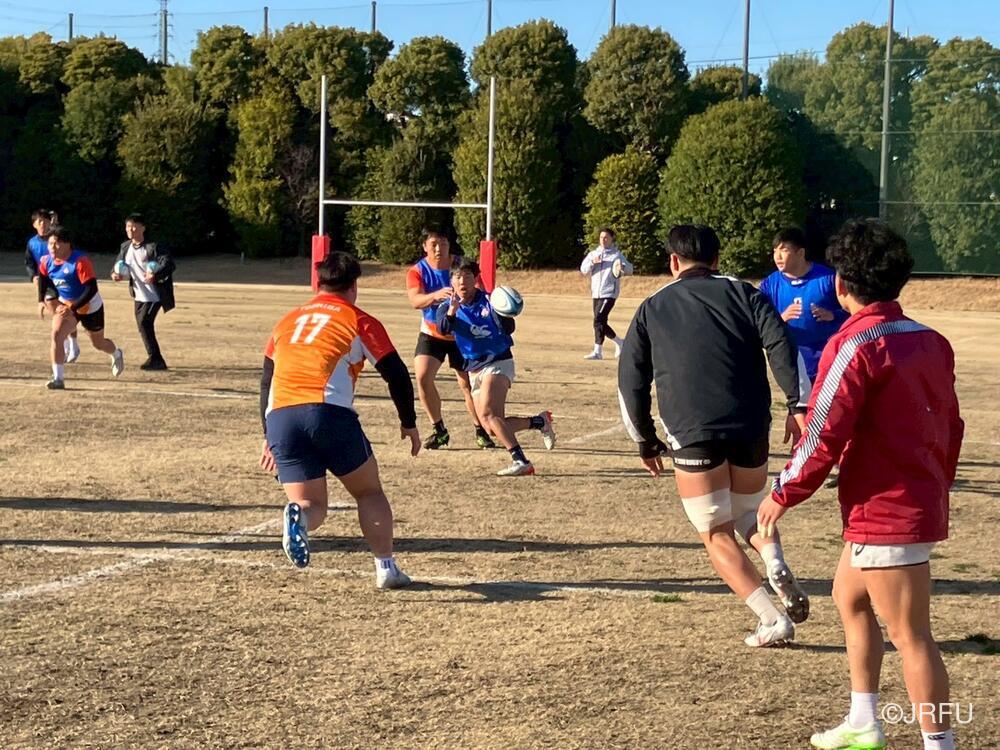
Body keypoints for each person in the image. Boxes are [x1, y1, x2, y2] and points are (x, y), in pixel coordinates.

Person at [757, 219, 964, 750]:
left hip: (887, 507)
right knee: (848, 596)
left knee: (912, 636)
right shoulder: (931, 340)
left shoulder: (854, 343)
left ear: (841, 283)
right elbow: (952, 424)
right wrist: (937, 481)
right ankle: (864, 720)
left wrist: (783, 491)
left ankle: (939, 743)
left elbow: (823, 430)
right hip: (905, 499)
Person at [618, 225, 810, 647]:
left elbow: (630, 380)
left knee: (715, 531)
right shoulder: (746, 293)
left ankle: (771, 619)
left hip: (692, 430)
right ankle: (773, 558)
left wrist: (645, 439)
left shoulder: (652, 306)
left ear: (673, 261)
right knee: (747, 512)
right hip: (750, 424)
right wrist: (797, 405)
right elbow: (782, 344)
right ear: (717, 259)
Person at [259, 251, 419, 589]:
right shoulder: (359, 320)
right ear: (354, 286)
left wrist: (267, 435)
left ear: (318, 284)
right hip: (326, 412)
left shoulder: (286, 322)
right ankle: (386, 568)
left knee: (311, 504)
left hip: (280, 418)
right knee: (369, 492)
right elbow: (396, 373)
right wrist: (408, 422)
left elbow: (266, 380)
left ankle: (300, 518)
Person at [436, 259, 556, 477]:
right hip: (474, 368)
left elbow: (509, 328)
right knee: (492, 427)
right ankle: (539, 421)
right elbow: (443, 329)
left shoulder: (491, 301)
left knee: (488, 413)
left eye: (468, 276)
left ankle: (521, 461)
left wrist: (502, 311)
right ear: (451, 281)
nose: (463, 282)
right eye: (458, 277)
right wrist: (453, 310)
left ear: (475, 279)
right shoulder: (446, 306)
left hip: (498, 361)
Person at [406, 226, 496, 449]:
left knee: (467, 385)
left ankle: (480, 429)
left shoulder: (461, 266)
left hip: (461, 334)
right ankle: (439, 430)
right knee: (423, 377)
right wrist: (436, 295)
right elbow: (415, 301)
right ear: (425, 246)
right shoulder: (417, 271)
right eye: (434, 244)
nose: (439, 249)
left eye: (443, 243)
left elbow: (481, 292)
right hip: (432, 333)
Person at [37, 226, 125, 389]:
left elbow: (91, 289)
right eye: (50, 244)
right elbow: (42, 277)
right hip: (67, 305)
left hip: (89, 305)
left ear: (67, 244)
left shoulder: (80, 261)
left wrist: (74, 307)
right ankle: (58, 379)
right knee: (56, 335)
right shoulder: (46, 261)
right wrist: (41, 300)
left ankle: (116, 353)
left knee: (98, 343)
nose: (52, 247)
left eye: (56, 243)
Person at [759, 227, 848, 383]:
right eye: (775, 251)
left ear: (800, 253)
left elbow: (854, 311)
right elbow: (758, 323)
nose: (777, 257)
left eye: (784, 250)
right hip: (791, 363)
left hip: (828, 362)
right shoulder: (769, 285)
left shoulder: (829, 278)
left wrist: (833, 315)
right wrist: (780, 319)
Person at [111, 213, 176, 371]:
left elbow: (169, 263)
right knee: (143, 326)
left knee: (144, 323)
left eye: (134, 226)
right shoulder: (125, 247)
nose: (130, 229)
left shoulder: (153, 247)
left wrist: (155, 274)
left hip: (155, 295)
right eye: (128, 226)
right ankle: (155, 358)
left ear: (143, 228)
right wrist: (114, 274)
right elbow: (118, 264)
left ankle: (156, 359)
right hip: (139, 295)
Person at [25, 209, 80, 363]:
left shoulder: (58, 239)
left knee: (67, 313)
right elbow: (29, 262)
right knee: (56, 313)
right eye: (39, 221)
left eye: (46, 221)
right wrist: (33, 276)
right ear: (34, 224)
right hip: (47, 282)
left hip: (62, 279)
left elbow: (70, 252)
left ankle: (73, 344)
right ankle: (65, 344)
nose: (43, 224)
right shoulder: (32, 243)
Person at [580, 227, 633, 360]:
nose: (603, 240)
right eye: (601, 237)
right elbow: (583, 269)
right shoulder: (593, 254)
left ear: (611, 239)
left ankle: (599, 351)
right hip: (596, 293)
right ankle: (618, 343)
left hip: (609, 293)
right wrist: (593, 262)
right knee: (600, 322)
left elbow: (630, 269)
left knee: (598, 320)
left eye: (606, 237)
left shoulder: (616, 255)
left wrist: (623, 267)